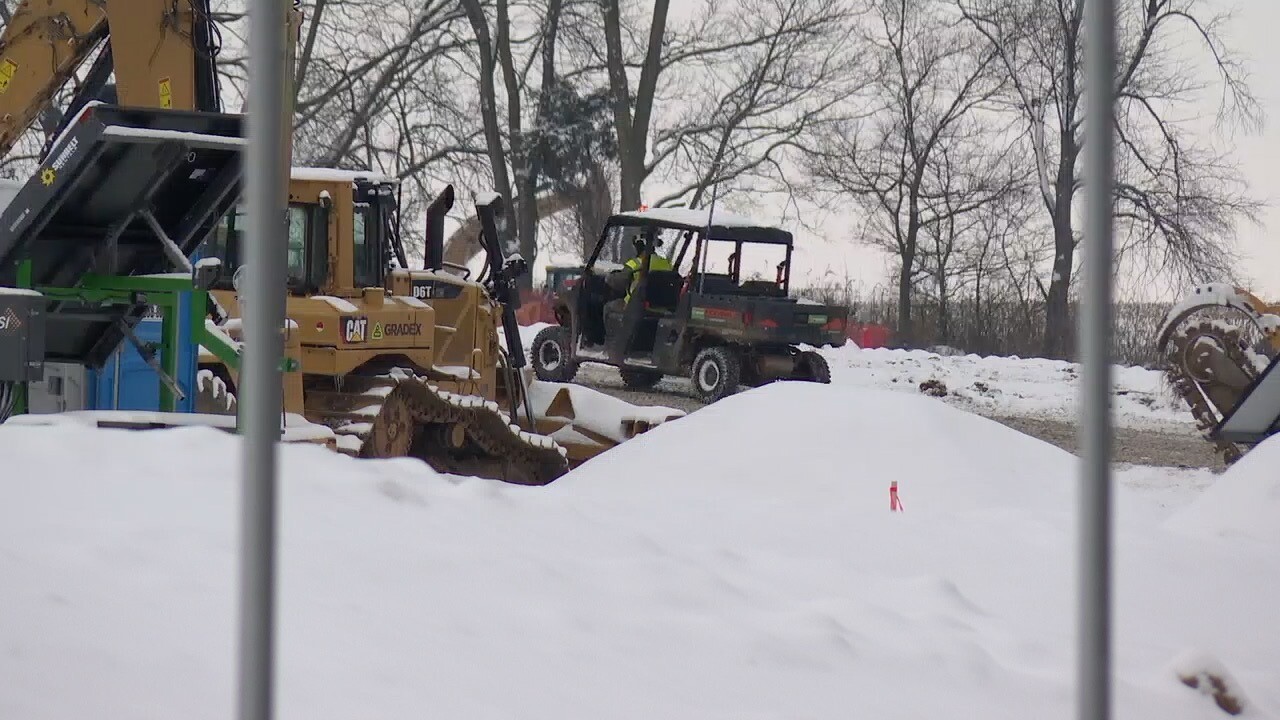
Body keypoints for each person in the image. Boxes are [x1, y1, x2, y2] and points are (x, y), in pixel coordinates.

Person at [604, 233, 674, 316]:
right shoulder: (666, 263)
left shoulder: (635, 263)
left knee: (608, 307)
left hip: (634, 305)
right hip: (662, 306)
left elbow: (618, 282)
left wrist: (608, 277)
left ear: (638, 247)